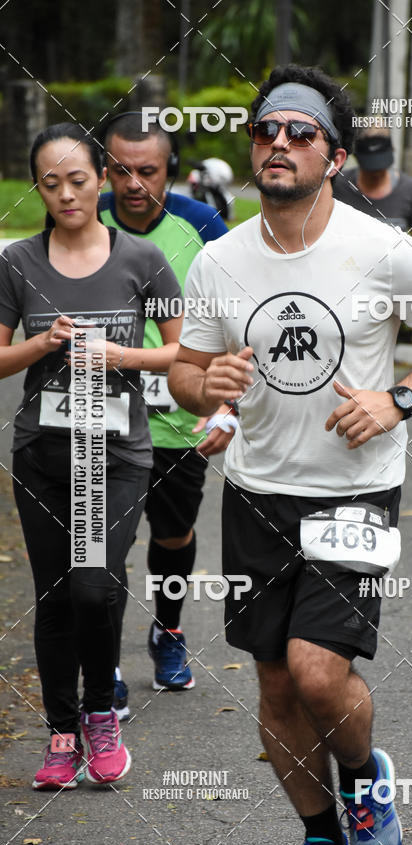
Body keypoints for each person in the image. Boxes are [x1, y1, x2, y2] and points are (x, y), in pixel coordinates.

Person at [168, 64, 412, 845]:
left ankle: (365, 777)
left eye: (300, 133)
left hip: (355, 487)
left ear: (334, 157)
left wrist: (397, 399)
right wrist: (211, 390)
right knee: (273, 681)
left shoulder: (380, 249)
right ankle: (321, 841)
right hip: (255, 490)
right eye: (267, 130)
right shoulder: (219, 261)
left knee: (316, 671)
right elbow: (186, 374)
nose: (279, 143)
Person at [0, 123, 182, 789]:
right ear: (38, 190)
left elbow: (181, 351)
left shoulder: (141, 259)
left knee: (94, 585)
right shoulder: (18, 261)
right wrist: (42, 342)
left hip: (118, 453)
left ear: (101, 178)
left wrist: (120, 355)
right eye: (51, 184)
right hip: (43, 453)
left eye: (78, 180)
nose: (66, 194)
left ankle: (102, 710)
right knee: (53, 596)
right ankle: (61, 732)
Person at [99, 113, 231, 709]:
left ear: (169, 171)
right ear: (106, 169)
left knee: (172, 534)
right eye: (121, 170)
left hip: (178, 416)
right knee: (104, 541)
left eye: (146, 171)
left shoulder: (201, 223)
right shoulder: (82, 214)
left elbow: (235, 311)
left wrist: (226, 400)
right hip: (98, 416)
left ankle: (169, 630)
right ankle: (103, 663)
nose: (133, 183)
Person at [332, 126, 412, 251]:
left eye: (380, 166)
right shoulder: (337, 186)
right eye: (370, 166)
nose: (376, 173)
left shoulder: (410, 189)